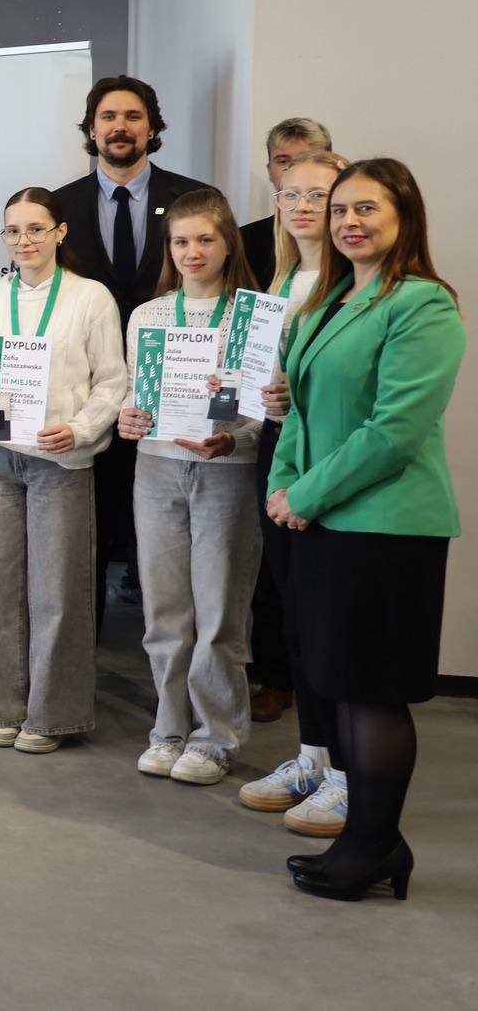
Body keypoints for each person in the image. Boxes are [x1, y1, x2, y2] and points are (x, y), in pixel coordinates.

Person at [268, 157, 462, 902]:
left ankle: (375, 844)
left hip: (386, 525)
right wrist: (284, 483)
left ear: (403, 215)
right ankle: (367, 838)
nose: (349, 221)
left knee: (373, 689)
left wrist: (305, 494)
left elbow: (394, 432)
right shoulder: (327, 300)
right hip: (323, 521)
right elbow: (296, 407)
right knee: (340, 682)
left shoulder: (423, 303)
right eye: (340, 209)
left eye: (366, 208)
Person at [0, 187, 126, 753]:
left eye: (35, 228)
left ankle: (52, 716)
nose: (23, 240)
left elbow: (113, 381)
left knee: (58, 594)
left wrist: (81, 429)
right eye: (13, 230)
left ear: (60, 232)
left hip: (60, 459)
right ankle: (1, 706)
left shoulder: (90, 298)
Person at [115, 190, 264, 785]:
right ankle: (169, 730)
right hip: (156, 470)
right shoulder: (148, 316)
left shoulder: (254, 316)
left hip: (227, 472)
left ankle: (216, 738)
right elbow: (135, 392)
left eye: (205, 239)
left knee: (220, 611)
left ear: (228, 243)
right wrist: (128, 417)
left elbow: (265, 411)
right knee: (165, 611)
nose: (192, 251)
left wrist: (234, 439)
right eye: (181, 241)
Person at [50, 76, 213, 618]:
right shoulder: (59, 206)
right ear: (92, 129)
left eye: (133, 116)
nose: (120, 127)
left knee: (176, 549)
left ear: (152, 127)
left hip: (171, 402)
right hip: (86, 399)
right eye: (108, 116)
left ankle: (175, 664)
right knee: (85, 543)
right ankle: (81, 657)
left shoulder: (194, 201)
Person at [237, 150, 354, 837]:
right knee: (293, 616)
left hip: (328, 465)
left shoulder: (356, 283)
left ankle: (348, 773)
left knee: (331, 621)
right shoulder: (279, 279)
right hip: (274, 454)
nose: (304, 206)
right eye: (291, 195)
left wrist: (292, 400)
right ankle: (313, 757)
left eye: (320, 195)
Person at [239, 119, 334, 291]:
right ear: (269, 170)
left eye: (306, 159)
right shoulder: (244, 241)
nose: (294, 169)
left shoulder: (349, 237)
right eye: (283, 161)